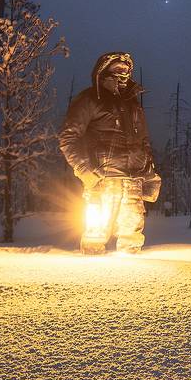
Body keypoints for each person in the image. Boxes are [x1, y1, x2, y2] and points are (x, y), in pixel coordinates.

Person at [58, 51, 161, 254]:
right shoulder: (90, 99)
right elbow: (68, 138)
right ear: (104, 70)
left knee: (131, 239)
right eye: (117, 69)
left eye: (126, 69)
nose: (123, 73)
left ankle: (134, 282)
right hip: (102, 178)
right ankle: (91, 279)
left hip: (133, 179)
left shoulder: (133, 105)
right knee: (95, 235)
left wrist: (149, 173)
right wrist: (84, 170)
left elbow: (144, 142)